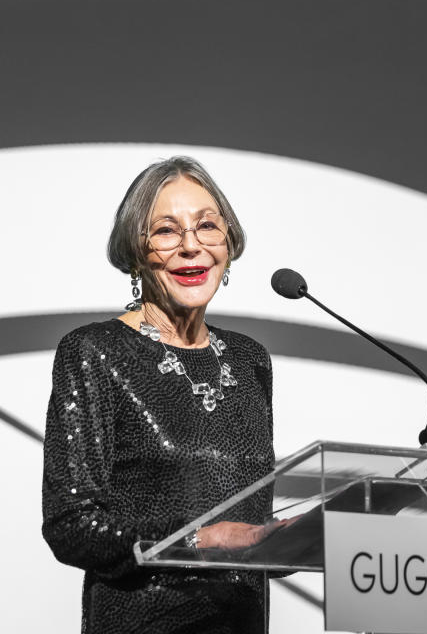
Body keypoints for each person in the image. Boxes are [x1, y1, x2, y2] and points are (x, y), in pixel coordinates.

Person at [42, 156, 278, 633]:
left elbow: (253, 522)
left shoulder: (251, 359)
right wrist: (199, 542)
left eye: (208, 226)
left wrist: (285, 542)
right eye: (167, 231)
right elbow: (71, 525)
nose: (191, 246)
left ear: (228, 244)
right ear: (135, 251)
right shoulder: (96, 351)